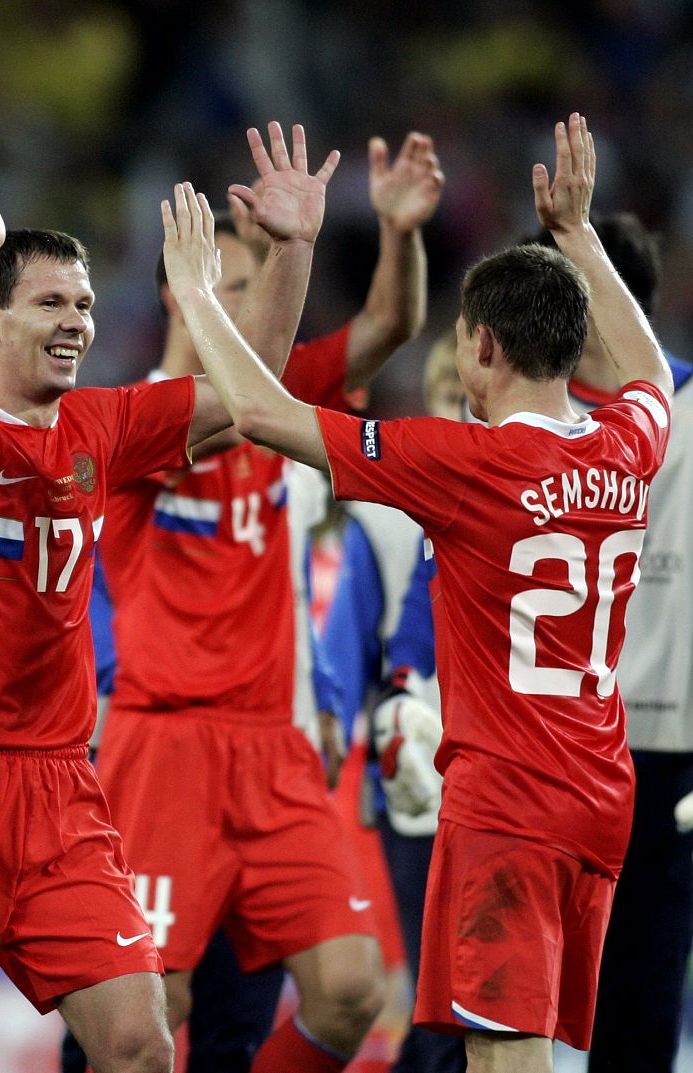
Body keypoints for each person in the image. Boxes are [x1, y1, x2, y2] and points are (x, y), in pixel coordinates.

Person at [161, 112, 671, 1073]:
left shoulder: (466, 461)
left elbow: (263, 413)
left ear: (481, 348)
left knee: (505, 1056)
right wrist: (579, 233)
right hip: (603, 796)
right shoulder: (626, 446)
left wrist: (198, 293)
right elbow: (646, 368)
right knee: (520, 1051)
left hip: (511, 804)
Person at [0, 128, 335, 1073]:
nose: (77, 321)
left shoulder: (101, 427)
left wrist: (294, 249)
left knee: (142, 1046)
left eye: (86, 304)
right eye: (49, 303)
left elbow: (247, 386)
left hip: (64, 789)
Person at [90, 127, 441, 1073]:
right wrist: (289, 252)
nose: (244, 314)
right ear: (182, 289)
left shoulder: (272, 395)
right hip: (164, 744)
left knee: (352, 989)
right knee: (146, 1014)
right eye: (225, 291)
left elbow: (389, 327)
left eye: (245, 291)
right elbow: (238, 398)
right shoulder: (133, 421)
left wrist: (379, 237)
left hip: (275, 749)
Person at [519, 215, 693, 1073]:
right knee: (505, 1011)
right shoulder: (515, 429)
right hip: (537, 758)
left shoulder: (681, 418)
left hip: (662, 760)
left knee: (638, 1005)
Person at [316, 332, 467, 1073]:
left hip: (497, 777)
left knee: (470, 1007)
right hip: (411, 779)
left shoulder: (511, 492)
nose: (455, 423)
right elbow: (353, 649)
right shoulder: (383, 519)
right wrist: (362, 721)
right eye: (442, 404)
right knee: (441, 1005)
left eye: (463, 406)